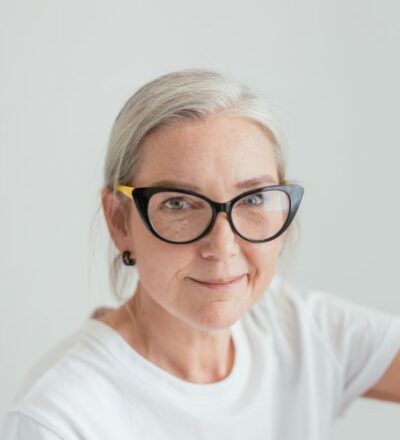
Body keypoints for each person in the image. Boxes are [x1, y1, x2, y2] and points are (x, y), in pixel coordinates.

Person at [2, 68, 400, 440]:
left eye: (254, 198)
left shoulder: (295, 328)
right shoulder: (59, 420)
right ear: (119, 221)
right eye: (178, 203)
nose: (222, 247)